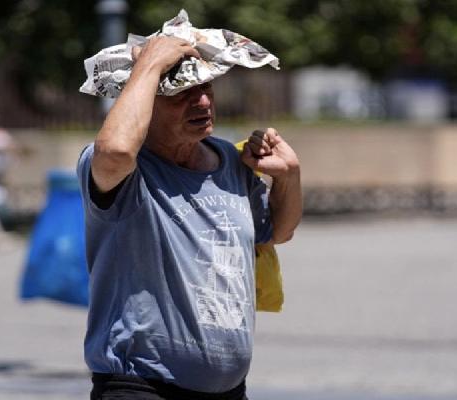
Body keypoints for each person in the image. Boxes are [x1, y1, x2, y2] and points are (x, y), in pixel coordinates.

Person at [77, 36, 302, 399]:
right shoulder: (122, 169)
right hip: (141, 387)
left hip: (229, 391)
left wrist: (288, 176)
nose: (202, 102)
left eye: (206, 88)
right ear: (144, 100)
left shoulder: (229, 160)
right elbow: (116, 149)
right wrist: (150, 64)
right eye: (181, 93)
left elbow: (278, 231)